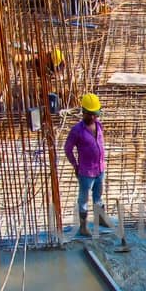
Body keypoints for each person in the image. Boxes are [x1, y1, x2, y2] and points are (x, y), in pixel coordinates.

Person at [64, 93, 109, 237]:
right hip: (86, 172)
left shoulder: (98, 125)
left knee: (99, 196)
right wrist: (75, 165)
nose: (95, 117)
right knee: (83, 199)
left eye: (96, 114)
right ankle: (83, 227)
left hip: (100, 169)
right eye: (93, 115)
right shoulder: (77, 130)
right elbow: (68, 148)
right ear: (85, 113)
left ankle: (100, 219)